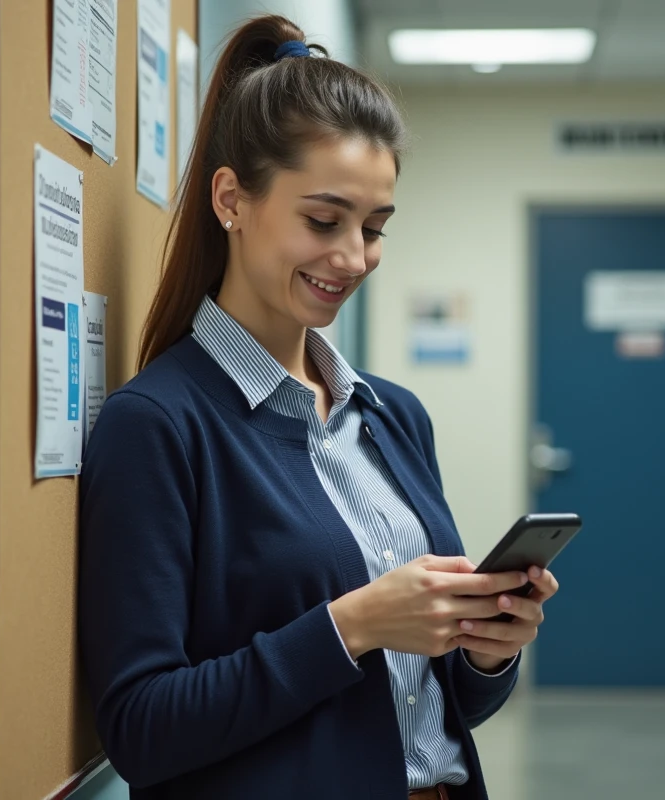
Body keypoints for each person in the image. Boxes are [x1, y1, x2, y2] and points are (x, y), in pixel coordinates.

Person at [77, 14, 559, 800]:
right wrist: (353, 625)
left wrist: (485, 652)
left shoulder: (393, 416)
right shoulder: (159, 426)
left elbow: (433, 709)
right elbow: (142, 727)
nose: (353, 257)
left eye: (375, 228)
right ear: (231, 200)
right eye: (324, 220)